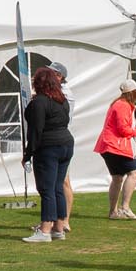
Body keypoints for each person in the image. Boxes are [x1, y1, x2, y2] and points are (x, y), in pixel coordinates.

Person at [22, 66, 73, 243]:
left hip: (49, 147)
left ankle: (45, 230)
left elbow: (36, 130)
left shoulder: (39, 102)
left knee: (46, 189)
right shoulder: (62, 101)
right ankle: (59, 228)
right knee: (57, 187)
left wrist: (28, 154)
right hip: (66, 144)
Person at [94, 79, 136, 219]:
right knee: (134, 173)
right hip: (115, 146)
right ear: (132, 93)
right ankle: (125, 208)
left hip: (107, 145)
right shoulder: (123, 105)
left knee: (117, 178)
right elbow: (123, 130)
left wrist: (135, 129)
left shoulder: (118, 104)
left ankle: (113, 212)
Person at [52, 61, 75, 231]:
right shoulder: (60, 91)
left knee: (63, 182)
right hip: (60, 139)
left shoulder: (64, 93)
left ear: (59, 76)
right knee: (59, 182)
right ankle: (56, 220)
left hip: (59, 140)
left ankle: (63, 220)